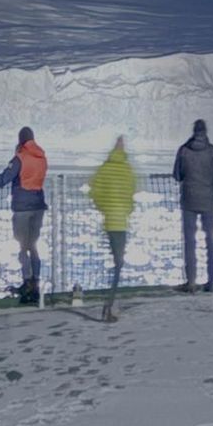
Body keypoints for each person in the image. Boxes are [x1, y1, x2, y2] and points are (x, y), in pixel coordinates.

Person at [0, 126, 48, 304]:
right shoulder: (42, 157)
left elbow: (2, 180)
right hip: (38, 207)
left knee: (23, 247)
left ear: (20, 140)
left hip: (22, 209)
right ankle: (35, 284)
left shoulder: (20, 158)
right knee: (33, 246)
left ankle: (27, 284)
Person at [172, 118, 213, 292]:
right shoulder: (212, 151)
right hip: (208, 201)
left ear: (193, 131)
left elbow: (177, 175)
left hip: (188, 200)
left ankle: (191, 282)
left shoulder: (184, 150)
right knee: (211, 241)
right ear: (205, 131)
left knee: (190, 242)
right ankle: (212, 282)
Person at [88, 136, 137, 321]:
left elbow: (94, 190)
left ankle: (109, 301)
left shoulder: (105, 169)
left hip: (109, 220)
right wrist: (126, 210)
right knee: (118, 264)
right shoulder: (127, 170)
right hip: (121, 222)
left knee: (116, 263)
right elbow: (131, 193)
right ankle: (109, 304)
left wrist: (104, 208)